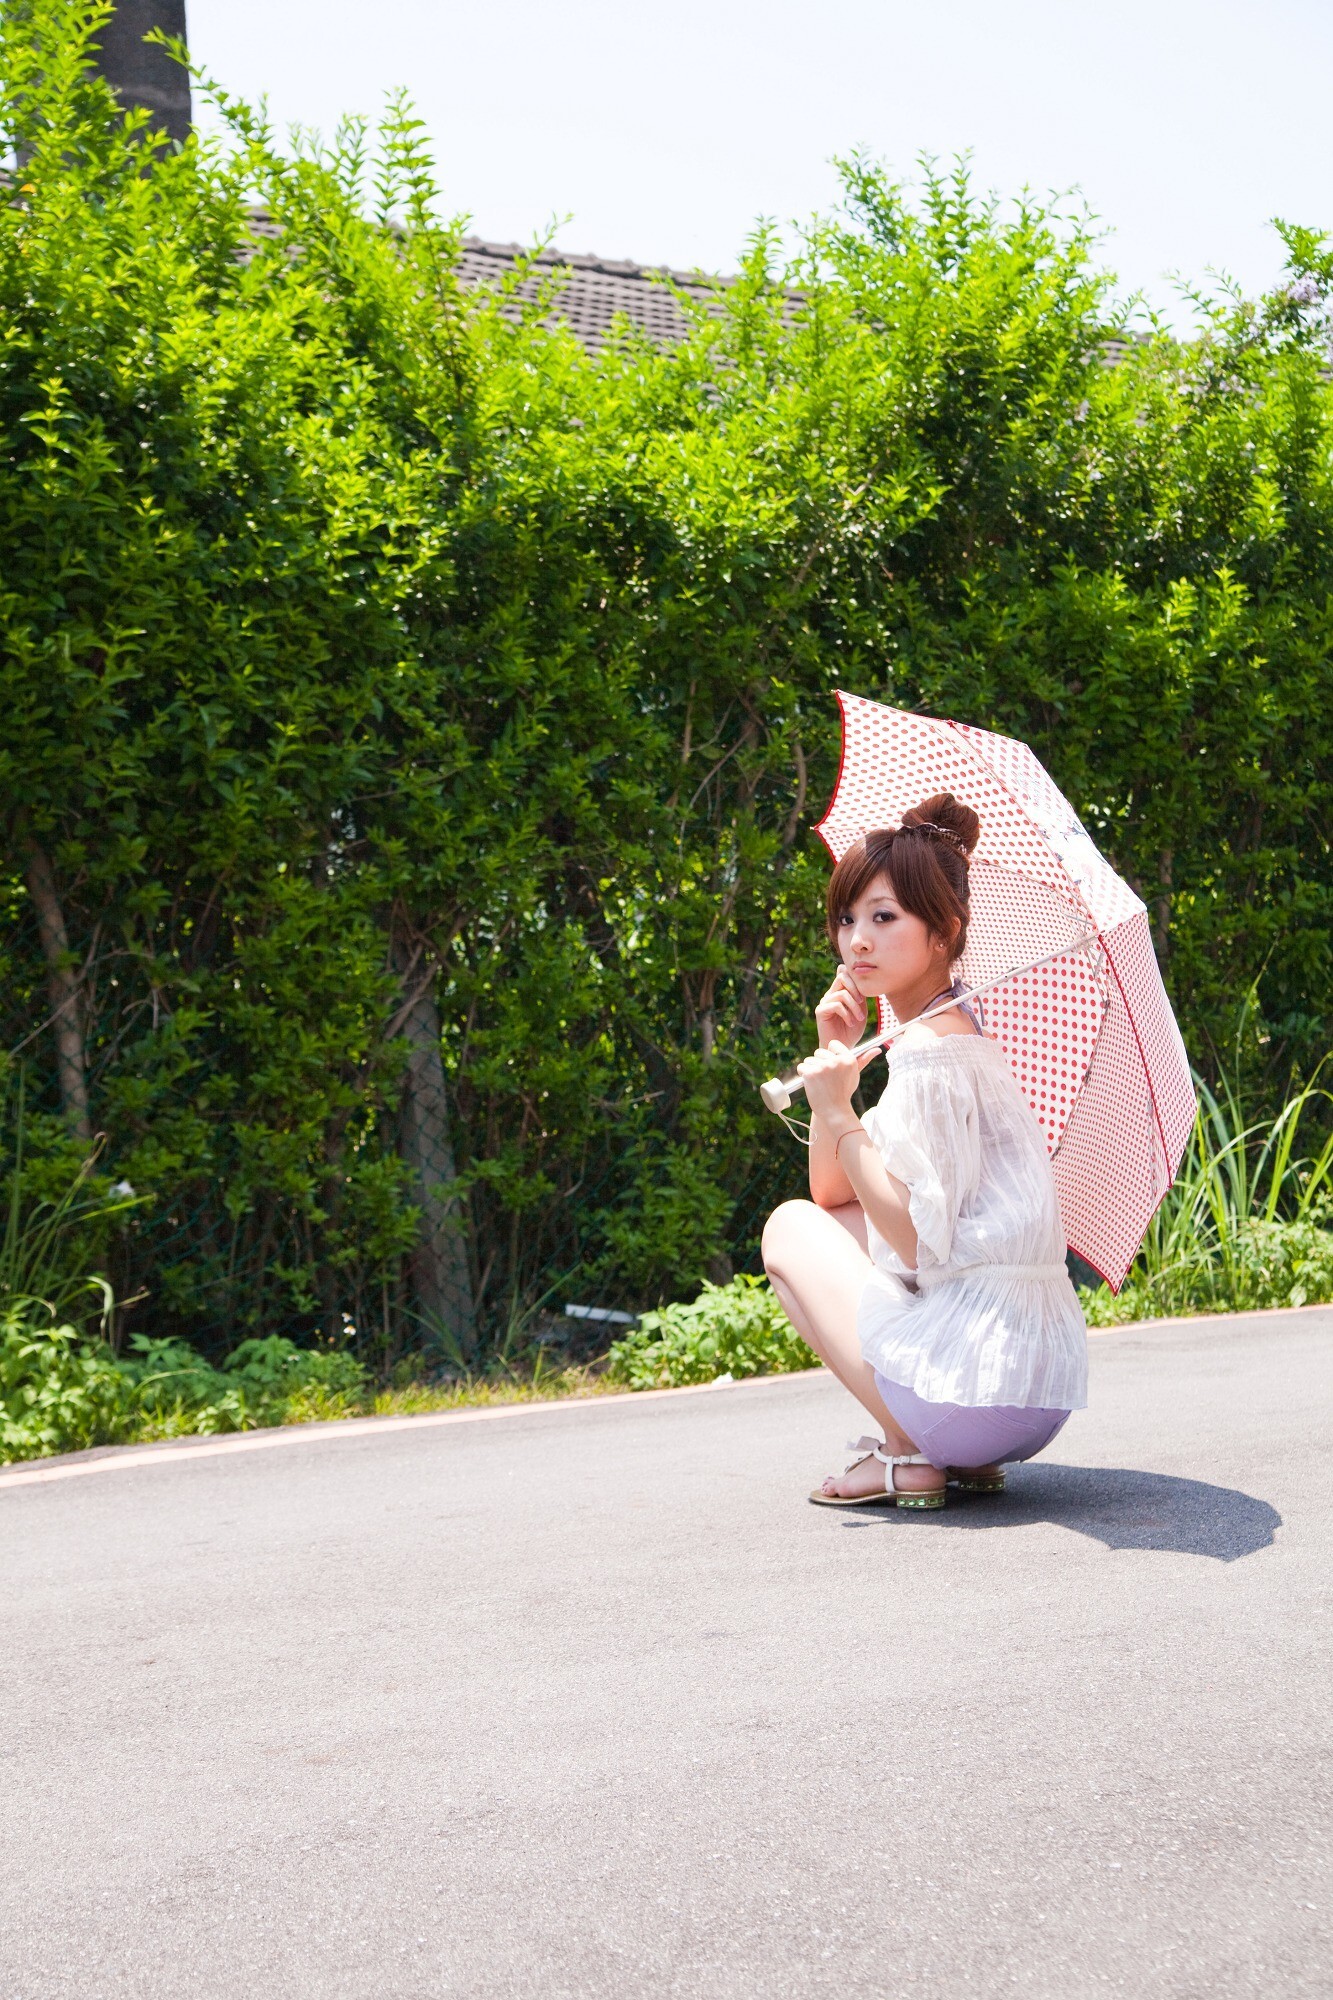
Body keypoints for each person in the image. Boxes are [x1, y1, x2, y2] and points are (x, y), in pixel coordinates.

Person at [761, 792, 1088, 1510]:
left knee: (783, 1228)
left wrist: (839, 1109)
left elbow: (910, 1243)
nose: (856, 942)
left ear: (943, 932)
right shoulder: (952, 1034)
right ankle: (942, 1449)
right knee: (817, 1221)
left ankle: (906, 1452)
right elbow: (835, 1198)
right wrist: (833, 1055)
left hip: (972, 1399)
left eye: (884, 917)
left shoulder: (928, 1057)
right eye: (847, 918)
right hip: (1027, 1393)